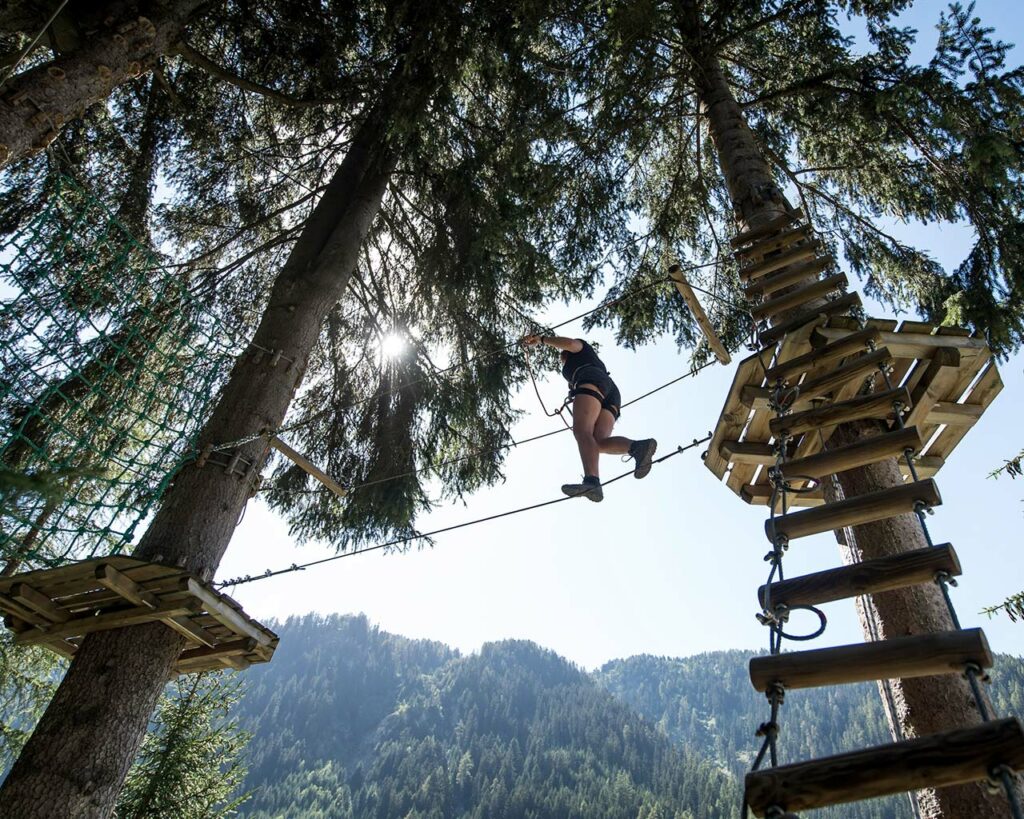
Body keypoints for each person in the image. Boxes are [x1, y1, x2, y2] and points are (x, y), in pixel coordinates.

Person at [522, 334, 657, 502]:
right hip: (610, 392)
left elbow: (570, 343)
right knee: (596, 442)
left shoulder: (581, 349)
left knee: (582, 431)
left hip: (592, 380)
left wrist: (542, 339)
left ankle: (592, 481)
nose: (562, 359)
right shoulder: (588, 362)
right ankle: (637, 447)